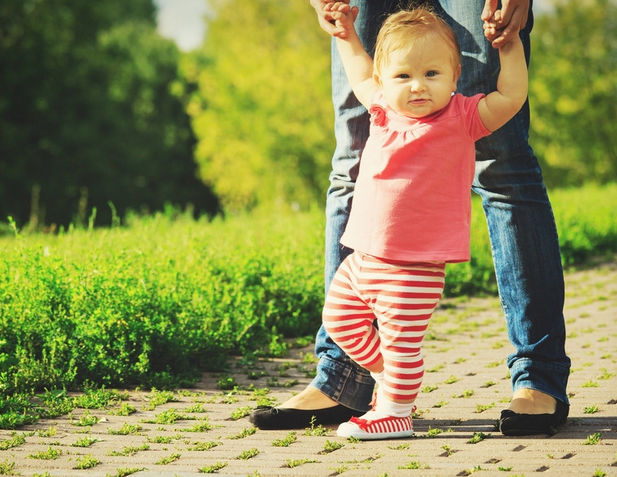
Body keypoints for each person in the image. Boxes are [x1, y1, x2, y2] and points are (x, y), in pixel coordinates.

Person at [250, 0, 571, 437]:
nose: (418, 87)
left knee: (504, 165)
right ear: (386, 80)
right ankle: (364, 380)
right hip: (363, 260)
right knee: (342, 315)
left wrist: (509, 45)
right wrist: (345, 34)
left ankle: (399, 409)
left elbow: (510, 96)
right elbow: (362, 71)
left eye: (432, 75)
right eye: (404, 76)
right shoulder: (381, 104)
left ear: (455, 78)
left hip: (413, 267)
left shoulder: (462, 116)